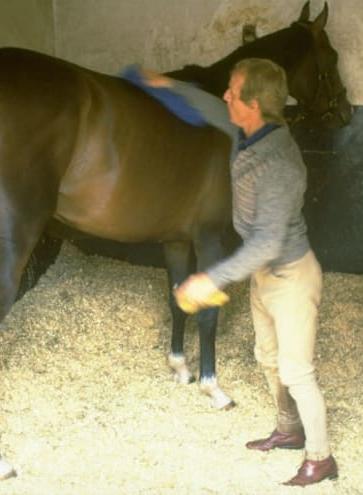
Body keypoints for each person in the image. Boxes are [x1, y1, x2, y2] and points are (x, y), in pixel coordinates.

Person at [144, 58, 337, 487]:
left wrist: (210, 278)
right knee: (268, 360)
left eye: (232, 91)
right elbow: (211, 108)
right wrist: (165, 86)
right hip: (264, 277)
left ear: (252, 104)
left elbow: (267, 243)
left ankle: (320, 459)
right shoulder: (246, 131)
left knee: (298, 373)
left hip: (291, 276)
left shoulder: (280, 165)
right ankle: (288, 431)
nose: (225, 96)